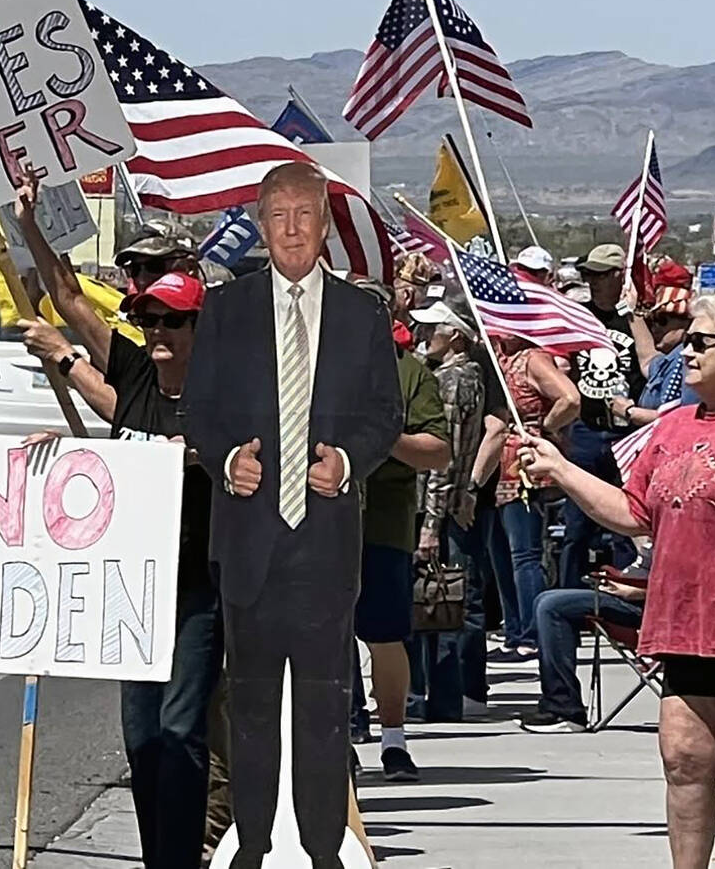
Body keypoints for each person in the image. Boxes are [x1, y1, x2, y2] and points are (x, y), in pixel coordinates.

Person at [180, 162, 403, 869]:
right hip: (249, 542)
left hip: (326, 544)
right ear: (260, 221)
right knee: (247, 708)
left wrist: (350, 461)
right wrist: (224, 461)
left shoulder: (362, 312)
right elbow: (202, 412)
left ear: (323, 222)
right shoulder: (226, 310)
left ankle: (320, 845)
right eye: (279, 216)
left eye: (305, 215)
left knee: (321, 708)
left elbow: (384, 414)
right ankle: (252, 843)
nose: (293, 231)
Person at [522, 294, 715, 869]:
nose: (685, 352)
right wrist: (561, 469)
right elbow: (634, 512)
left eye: (701, 342)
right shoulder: (671, 425)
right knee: (684, 760)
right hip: (681, 618)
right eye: (688, 340)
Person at [13, 175, 221, 869]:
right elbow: (68, 296)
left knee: (182, 728)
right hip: (131, 590)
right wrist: (29, 222)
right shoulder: (132, 373)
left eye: (173, 322)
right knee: (142, 738)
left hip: (197, 588)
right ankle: (158, 853)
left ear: (198, 328)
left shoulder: (225, 393)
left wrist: (196, 454)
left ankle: (177, 860)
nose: (158, 332)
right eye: (149, 321)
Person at [350, 278, 450, 783]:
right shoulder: (308, 367)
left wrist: (383, 437)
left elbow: (438, 449)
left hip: (382, 524)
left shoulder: (410, 374)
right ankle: (334, 735)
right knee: (317, 636)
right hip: (310, 522)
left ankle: (393, 740)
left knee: (385, 635)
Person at [559, 244, 656, 591]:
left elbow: (652, 367)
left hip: (626, 435)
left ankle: (621, 593)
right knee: (576, 526)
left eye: (600, 275)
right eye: (588, 275)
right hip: (586, 430)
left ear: (619, 276)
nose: (593, 282)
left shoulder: (636, 323)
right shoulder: (579, 318)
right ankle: (568, 597)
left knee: (624, 524)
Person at [410, 301, 486, 723]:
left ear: (454, 335)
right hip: (448, 502)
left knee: (440, 601)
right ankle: (437, 696)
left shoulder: (454, 381)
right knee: (441, 602)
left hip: (437, 506)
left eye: (434, 330)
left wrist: (433, 523)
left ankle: (440, 697)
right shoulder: (455, 376)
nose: (426, 337)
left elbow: (447, 455)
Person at [493, 334, 580, 662]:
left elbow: (570, 398)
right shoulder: (499, 357)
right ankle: (514, 631)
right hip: (497, 470)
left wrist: (544, 427)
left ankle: (532, 634)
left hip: (525, 469)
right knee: (502, 556)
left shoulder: (532, 359)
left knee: (525, 555)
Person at [518, 570, 645, 733]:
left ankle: (564, 708)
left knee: (551, 606)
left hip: (647, 602)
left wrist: (638, 591)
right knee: (543, 598)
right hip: (632, 588)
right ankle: (556, 702)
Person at [614, 260, 700, 427]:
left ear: (686, 323)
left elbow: (687, 419)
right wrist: (632, 312)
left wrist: (630, 412)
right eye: (651, 320)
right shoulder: (670, 360)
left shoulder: (692, 360)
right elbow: (647, 359)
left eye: (662, 320)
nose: (654, 327)